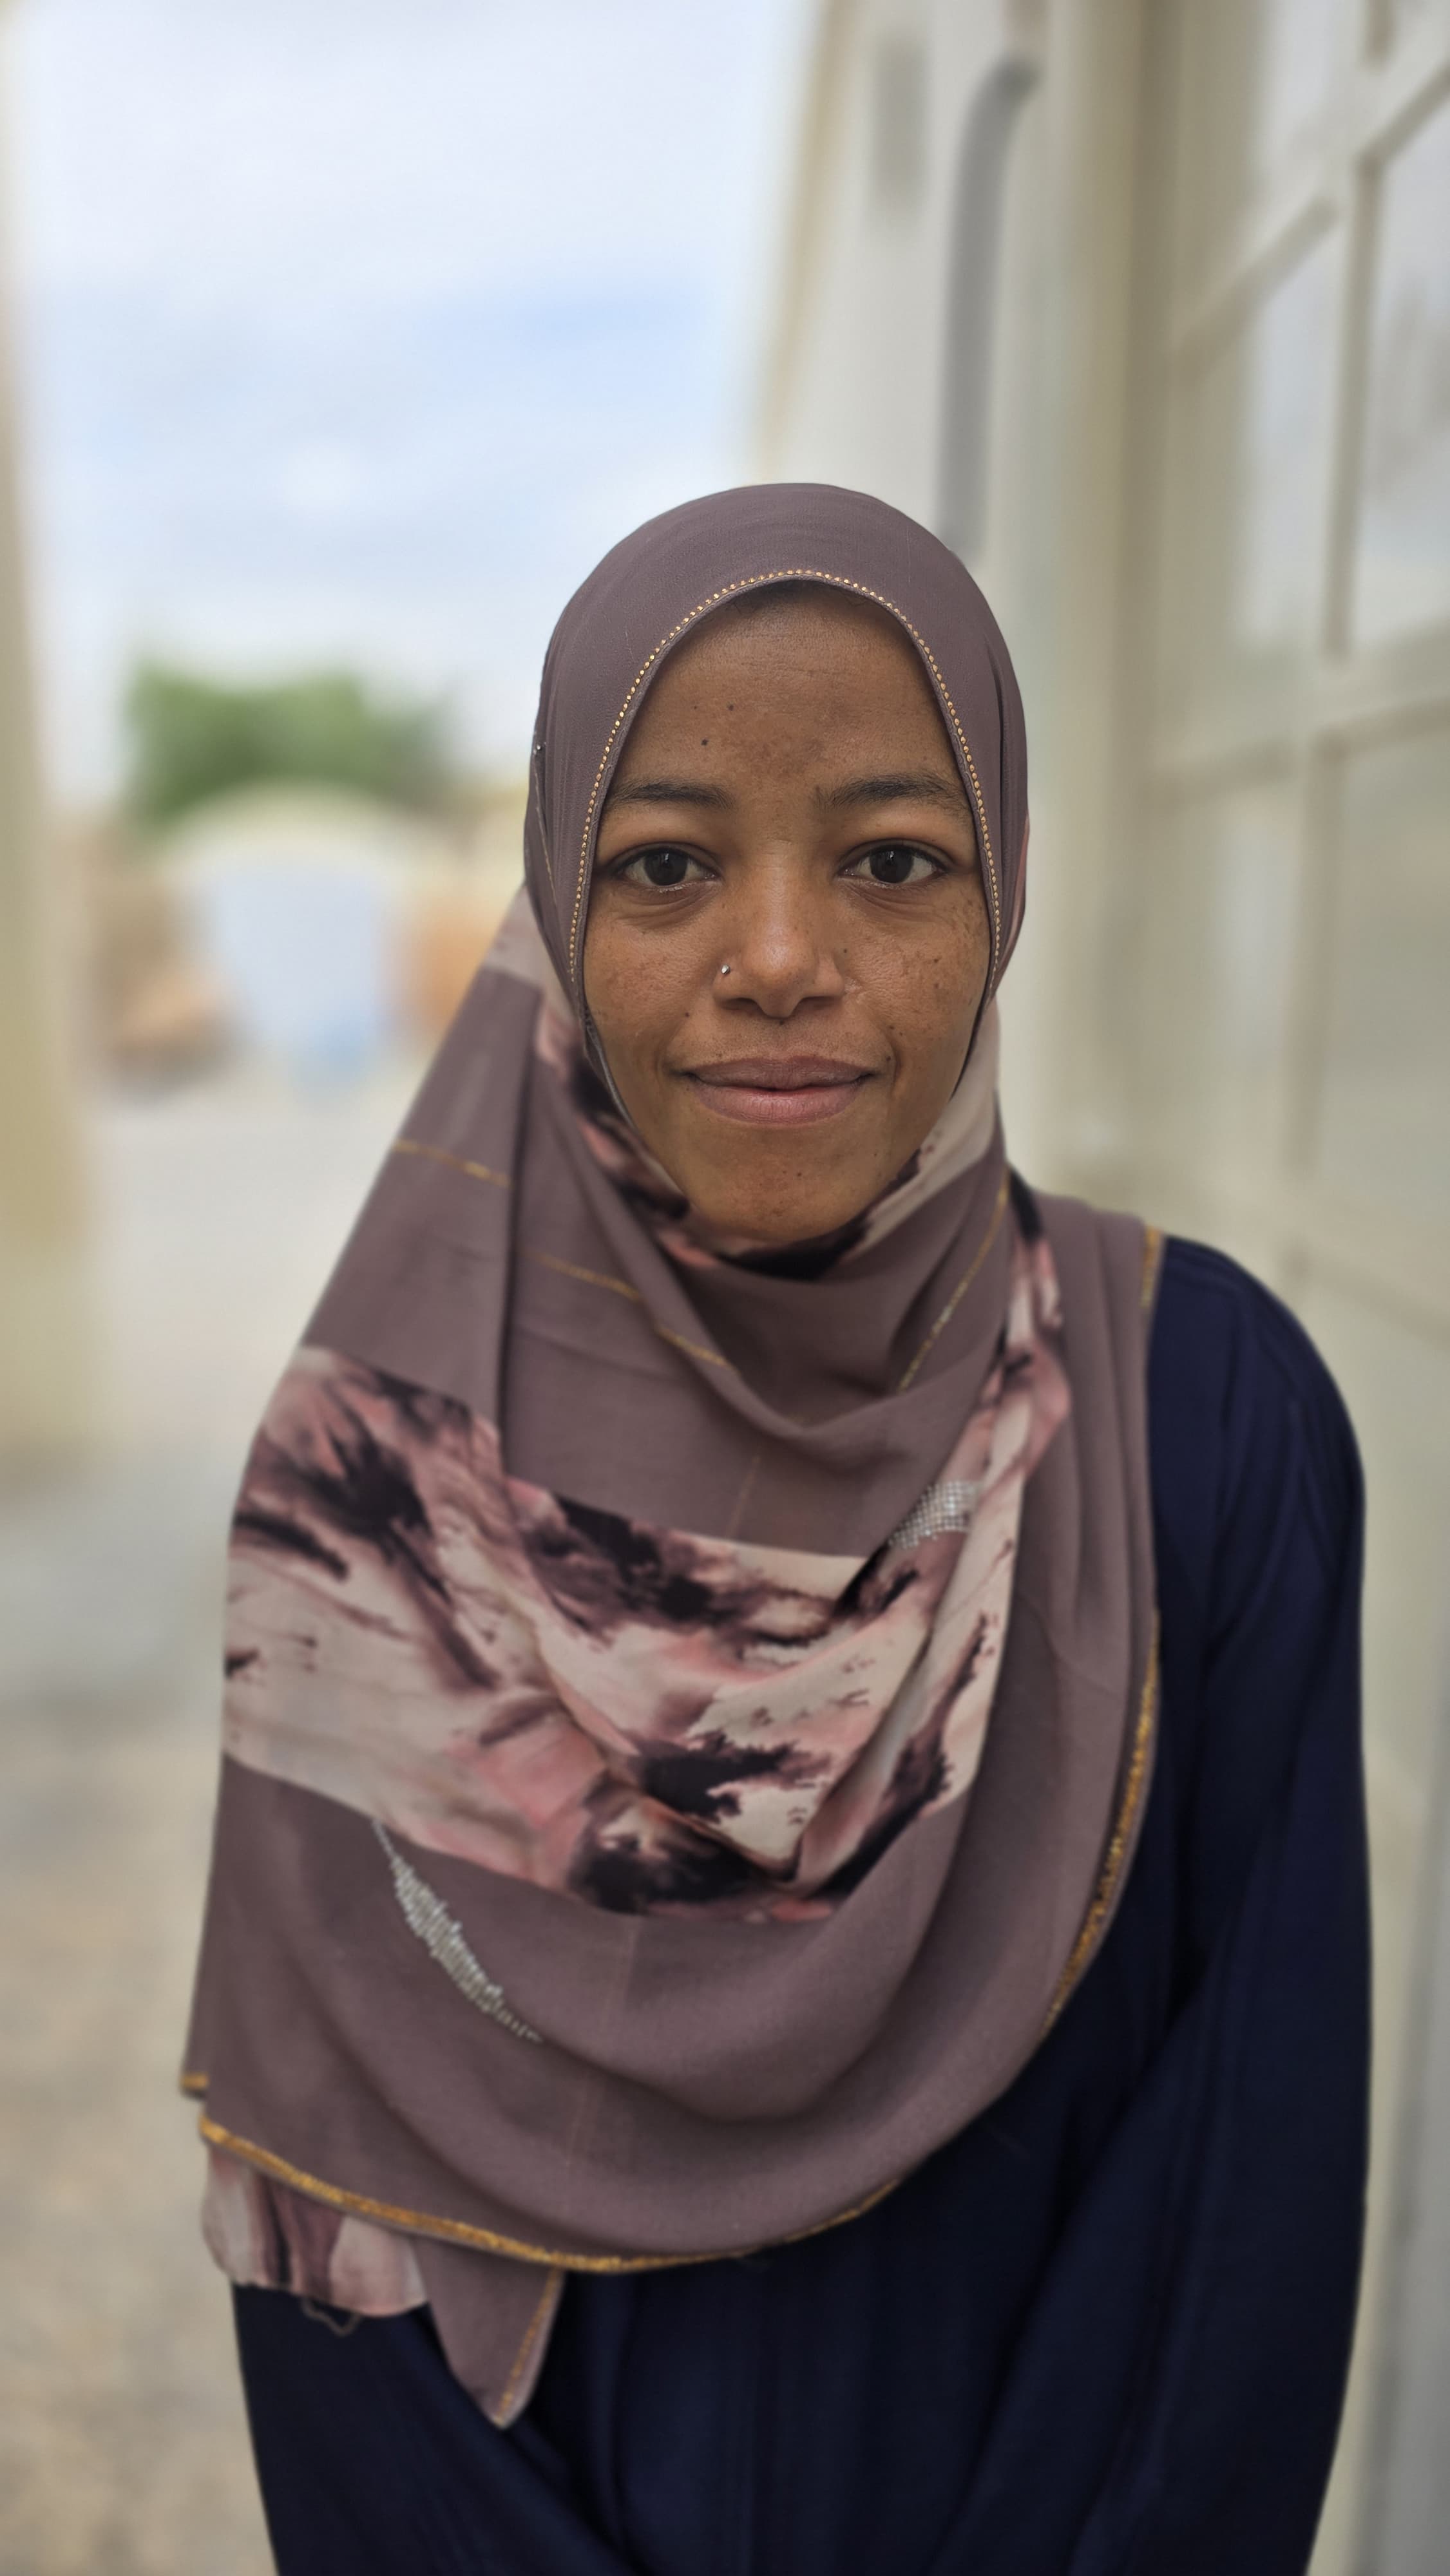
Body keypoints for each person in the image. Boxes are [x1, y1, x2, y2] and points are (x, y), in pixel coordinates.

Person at [184, 485, 1368, 2576]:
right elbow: (335, 2261)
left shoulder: (1198, 1421)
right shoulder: (372, 1495)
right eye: (664, 865)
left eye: (890, 860)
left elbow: (1234, 2218)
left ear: (1002, 898)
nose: (780, 960)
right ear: (555, 906)